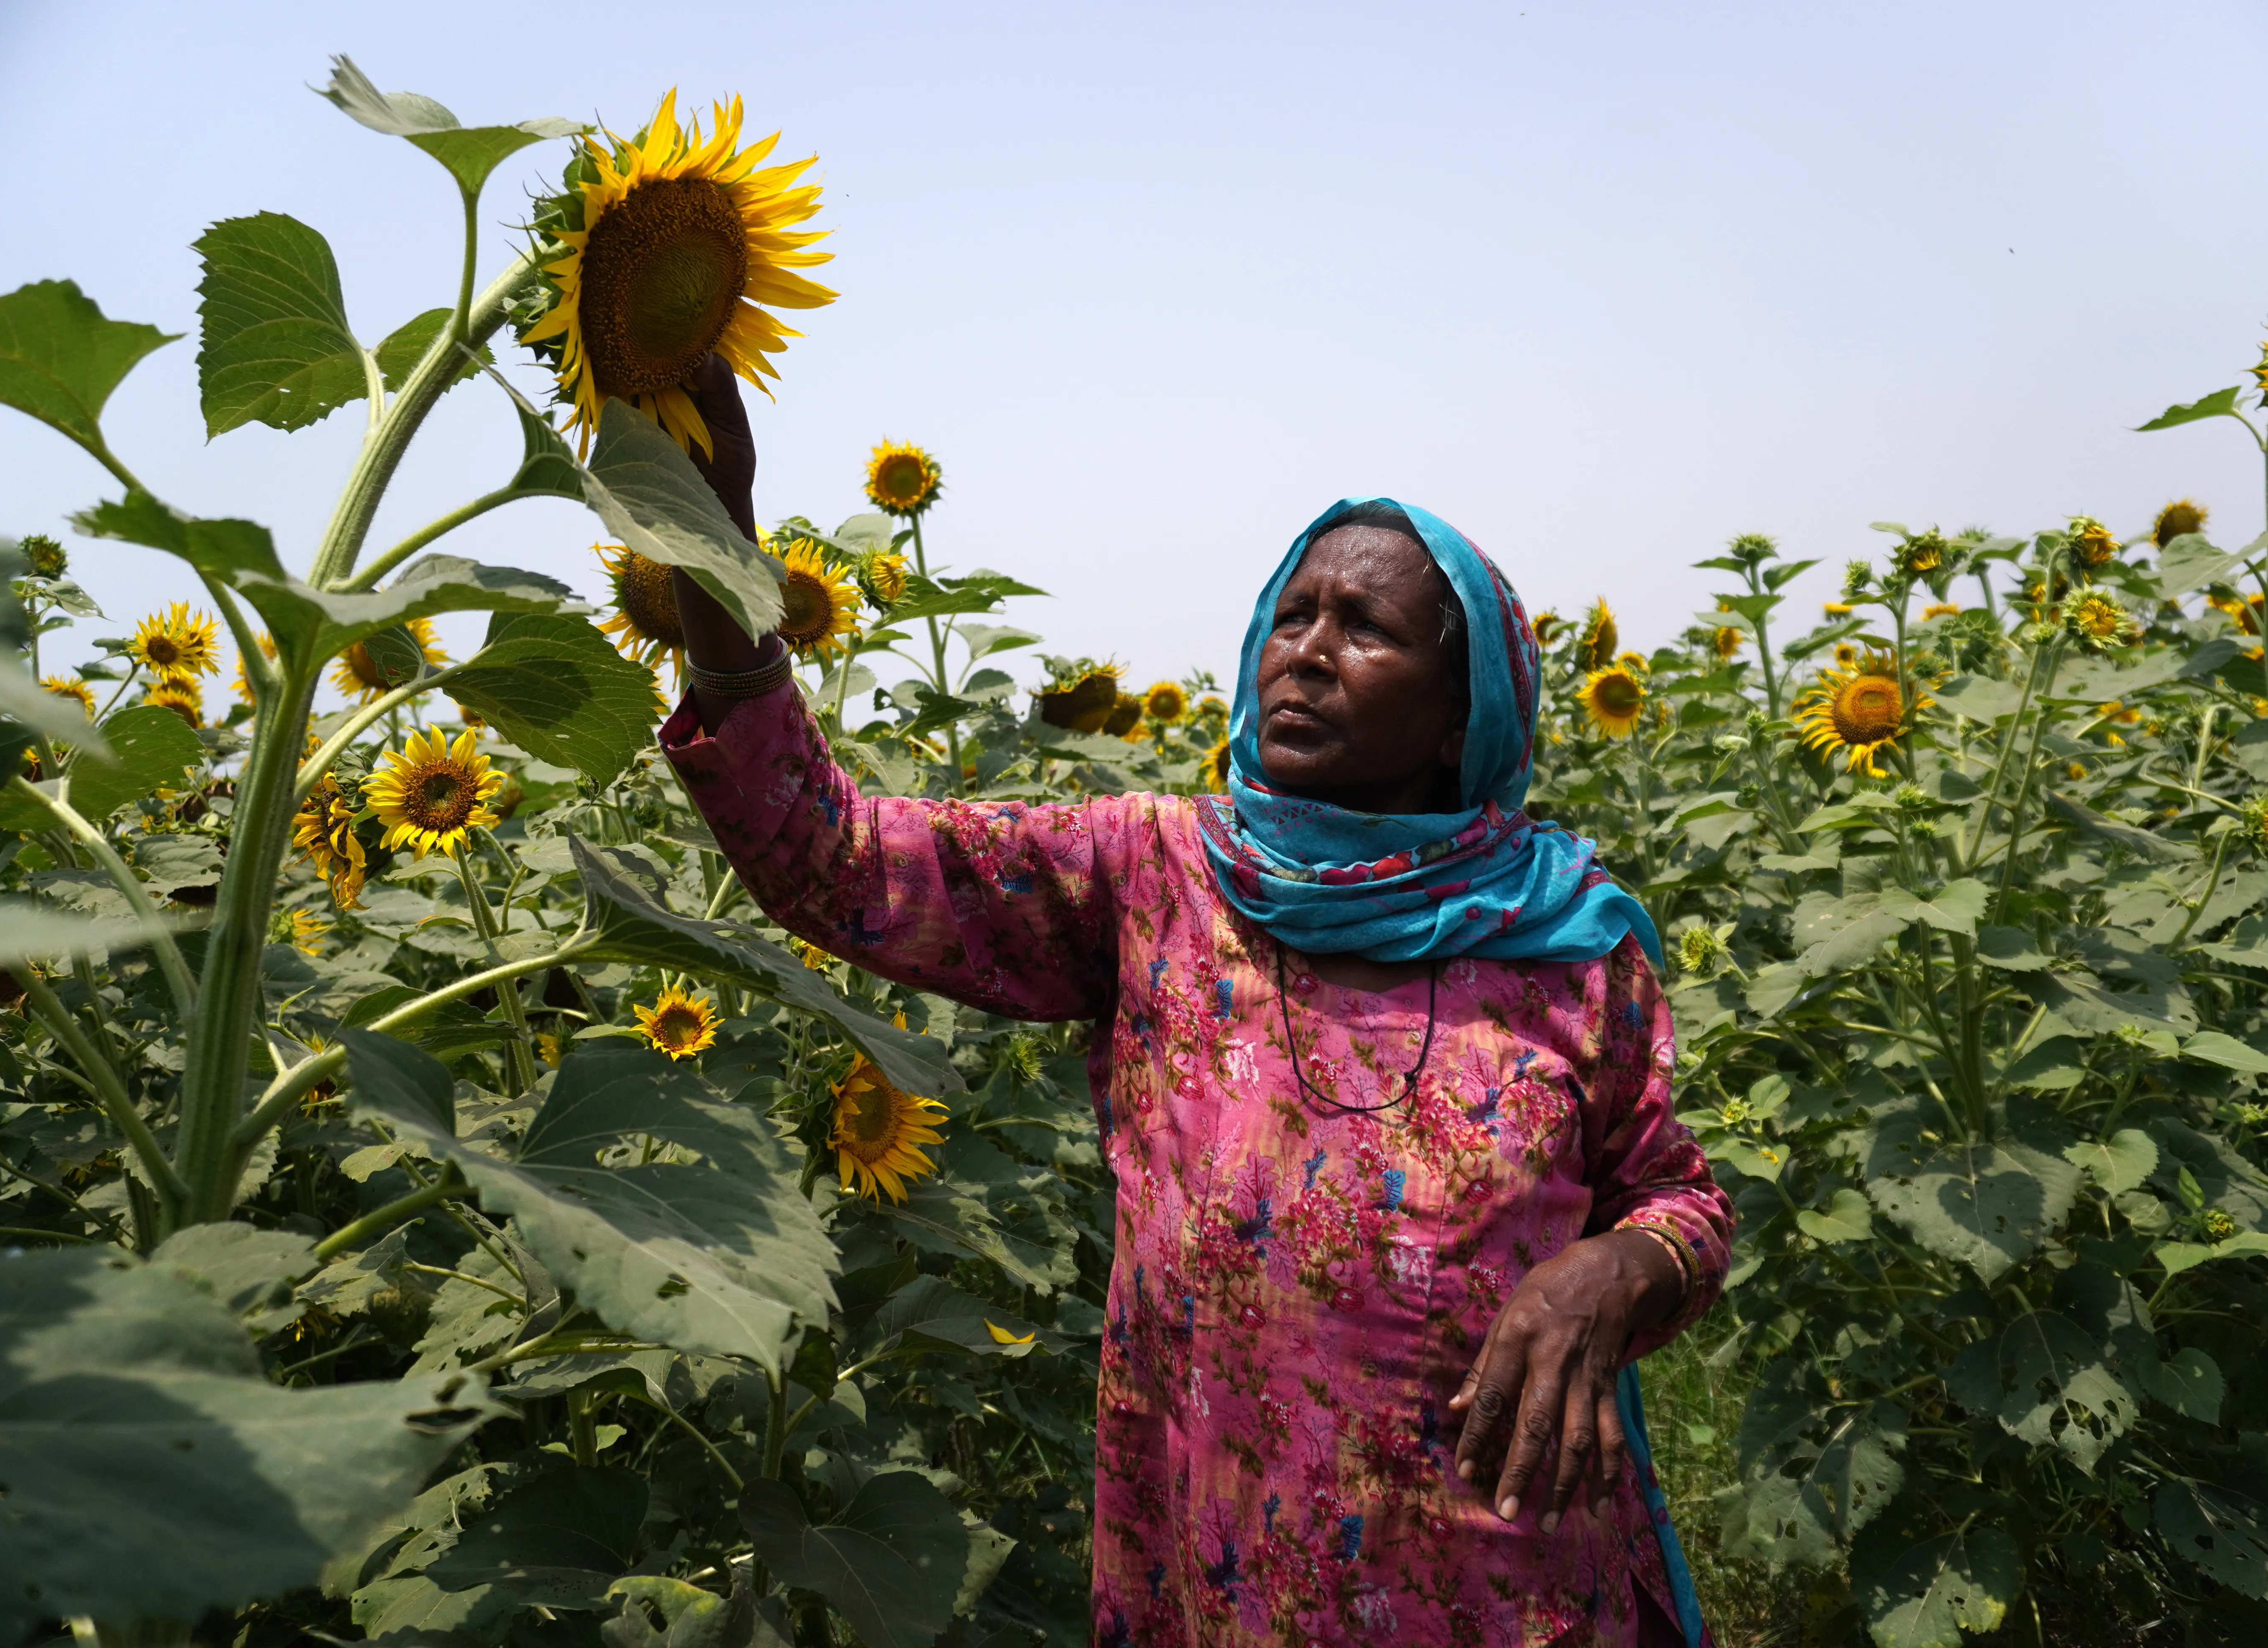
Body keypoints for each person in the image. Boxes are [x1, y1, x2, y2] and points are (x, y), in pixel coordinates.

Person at [664, 357, 1732, 1647]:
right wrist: (716, 565)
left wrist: (1616, 1269)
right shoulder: (1158, 879)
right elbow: (831, 861)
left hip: (1501, 1584)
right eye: (1293, 617)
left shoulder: (1566, 939)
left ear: (1465, 718)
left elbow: (1679, 1196)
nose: (1308, 657)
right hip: (1231, 1572)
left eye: (1367, 630)